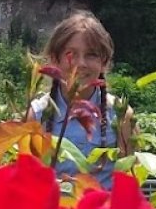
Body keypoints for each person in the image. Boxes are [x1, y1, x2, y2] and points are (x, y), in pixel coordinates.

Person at [30, 12, 124, 186]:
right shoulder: (35, 116)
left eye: (91, 55)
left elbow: (130, 182)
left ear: (104, 62)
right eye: (71, 54)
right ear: (54, 59)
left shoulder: (121, 115)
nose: (81, 63)